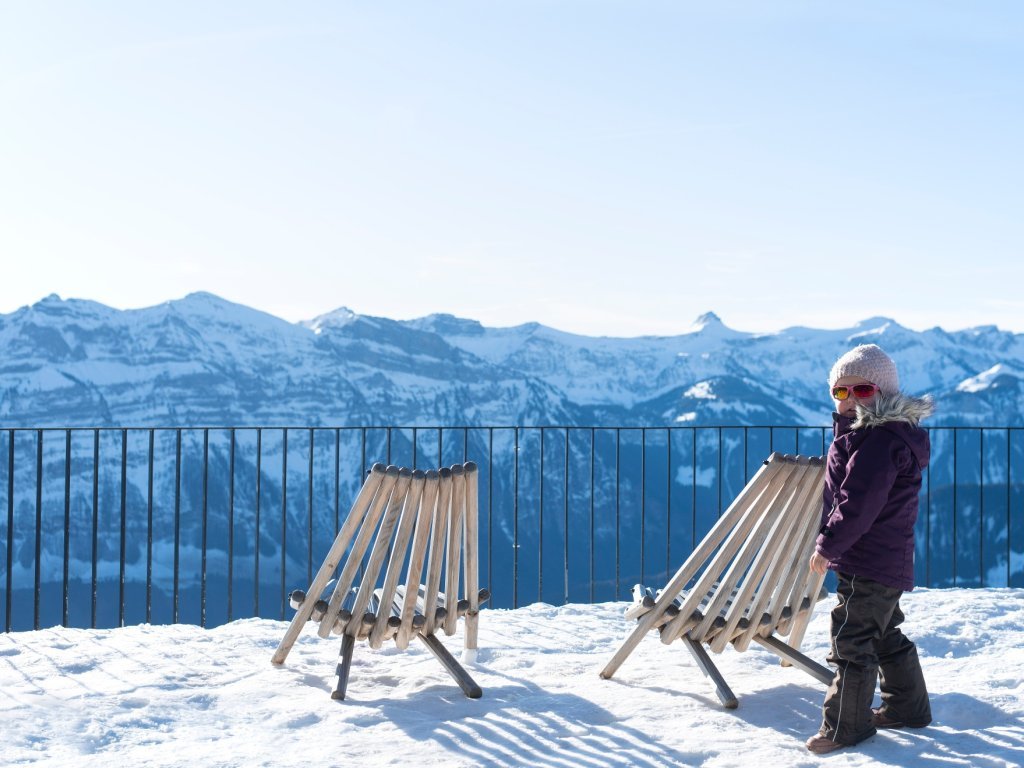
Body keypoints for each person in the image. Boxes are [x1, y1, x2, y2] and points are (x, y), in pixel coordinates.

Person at [805, 343, 934, 755]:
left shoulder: (876, 442)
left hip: (868, 558)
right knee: (882, 634)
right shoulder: (869, 436)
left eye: (861, 390)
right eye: (840, 392)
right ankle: (907, 708)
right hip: (881, 558)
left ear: (884, 393)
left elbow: (857, 505)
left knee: (852, 640)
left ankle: (846, 727)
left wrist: (827, 546)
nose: (848, 400)